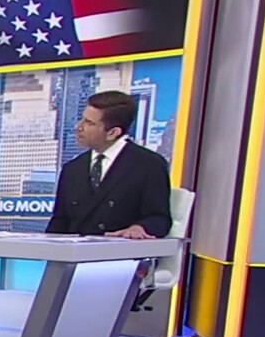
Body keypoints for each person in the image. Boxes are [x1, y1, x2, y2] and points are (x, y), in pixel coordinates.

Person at [47, 91, 172, 239]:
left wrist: (139, 228)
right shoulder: (72, 169)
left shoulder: (149, 165)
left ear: (113, 132)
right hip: (75, 251)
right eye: (82, 119)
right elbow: (60, 222)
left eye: (89, 123)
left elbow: (159, 218)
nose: (78, 127)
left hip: (119, 250)